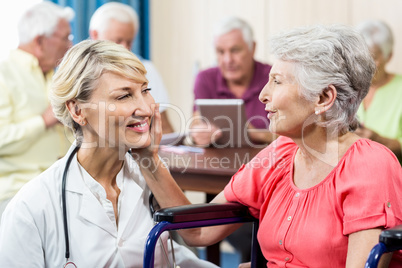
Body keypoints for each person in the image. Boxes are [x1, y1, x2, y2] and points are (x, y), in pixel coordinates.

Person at [141, 24, 402, 267]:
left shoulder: (369, 165)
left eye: (277, 81)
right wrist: (149, 159)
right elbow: (197, 232)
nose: (264, 94)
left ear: (323, 98)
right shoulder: (280, 153)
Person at [0, 40, 217, 268]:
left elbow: (172, 257)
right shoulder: (31, 207)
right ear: (77, 110)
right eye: (123, 96)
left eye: (145, 91)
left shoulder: (152, 184)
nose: (145, 109)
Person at [0, 2, 74, 217]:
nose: (70, 46)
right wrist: (45, 120)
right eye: (65, 38)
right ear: (40, 41)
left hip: (63, 188)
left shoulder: (60, 78)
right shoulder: (4, 76)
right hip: (16, 194)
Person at [189, 16, 276, 147]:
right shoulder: (205, 79)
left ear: (252, 48)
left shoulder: (273, 78)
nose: (228, 60)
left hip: (265, 162)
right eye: (220, 52)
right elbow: (196, 123)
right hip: (217, 163)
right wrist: (197, 135)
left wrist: (253, 133)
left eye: (235, 50)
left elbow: (292, 135)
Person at [89, 2, 174, 134]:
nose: (124, 48)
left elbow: (165, 128)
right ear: (95, 35)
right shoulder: (80, 74)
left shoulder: (146, 70)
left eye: (129, 42)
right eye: (117, 41)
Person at [355, 20, 402, 162]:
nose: (365, 64)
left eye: (373, 57)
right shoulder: (346, 87)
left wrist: (378, 140)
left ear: (389, 56)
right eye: (361, 56)